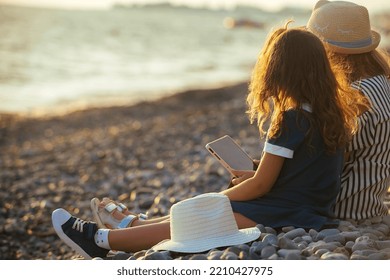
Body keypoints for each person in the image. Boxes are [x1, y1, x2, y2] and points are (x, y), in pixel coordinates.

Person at [51, 23, 367, 259]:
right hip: (308, 209)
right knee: (200, 208)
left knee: (201, 211)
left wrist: (224, 195)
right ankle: (132, 225)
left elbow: (260, 187)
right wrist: (253, 174)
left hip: (283, 210)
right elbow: (305, 170)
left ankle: (101, 240)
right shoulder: (331, 114)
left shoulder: (291, 117)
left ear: (279, 69)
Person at [306, 0, 390, 220]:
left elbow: (327, 164)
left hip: (342, 207)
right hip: (368, 202)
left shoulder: (356, 97)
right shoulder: (380, 83)